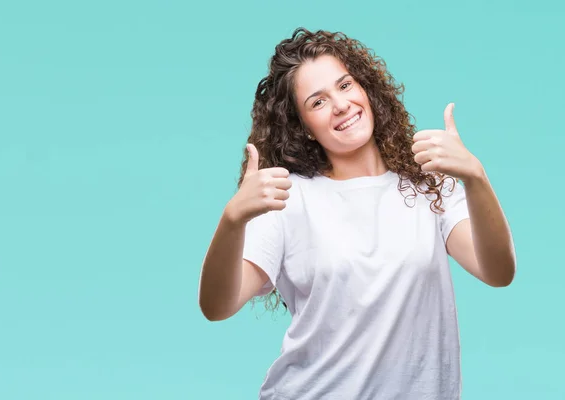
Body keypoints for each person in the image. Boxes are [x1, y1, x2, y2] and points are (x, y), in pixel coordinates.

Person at [197, 27, 516, 400]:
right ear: (305, 129)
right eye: (318, 102)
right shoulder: (288, 197)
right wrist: (232, 219)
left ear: (365, 88)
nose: (341, 105)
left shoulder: (428, 183)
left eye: (345, 85)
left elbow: (498, 271)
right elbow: (217, 306)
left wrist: (475, 177)